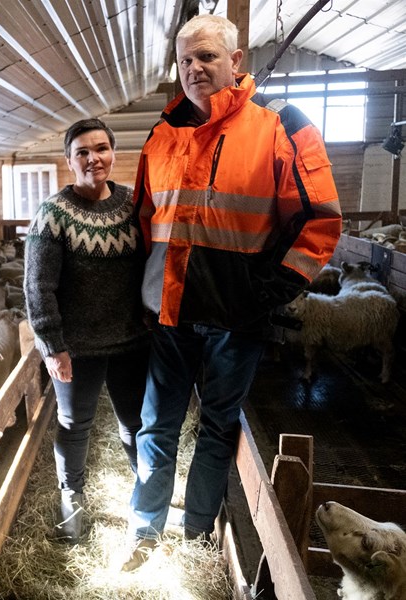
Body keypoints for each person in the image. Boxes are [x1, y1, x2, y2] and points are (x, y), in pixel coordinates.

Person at [121, 14, 342, 571]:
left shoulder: (280, 127)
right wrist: (141, 296)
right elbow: (146, 220)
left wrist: (267, 291)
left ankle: (196, 533)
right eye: (185, 60)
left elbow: (320, 220)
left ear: (235, 61)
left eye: (207, 57)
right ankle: (144, 529)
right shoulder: (162, 135)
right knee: (157, 426)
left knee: (218, 428)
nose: (194, 68)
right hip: (170, 314)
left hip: (236, 319)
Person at [24, 118, 151, 544]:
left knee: (134, 425)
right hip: (76, 348)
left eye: (100, 148)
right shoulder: (53, 214)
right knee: (74, 423)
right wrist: (52, 345)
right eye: (82, 151)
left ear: (113, 153)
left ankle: (146, 499)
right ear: (69, 160)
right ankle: (71, 500)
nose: (93, 158)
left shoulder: (135, 205)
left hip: (132, 342)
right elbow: (38, 286)